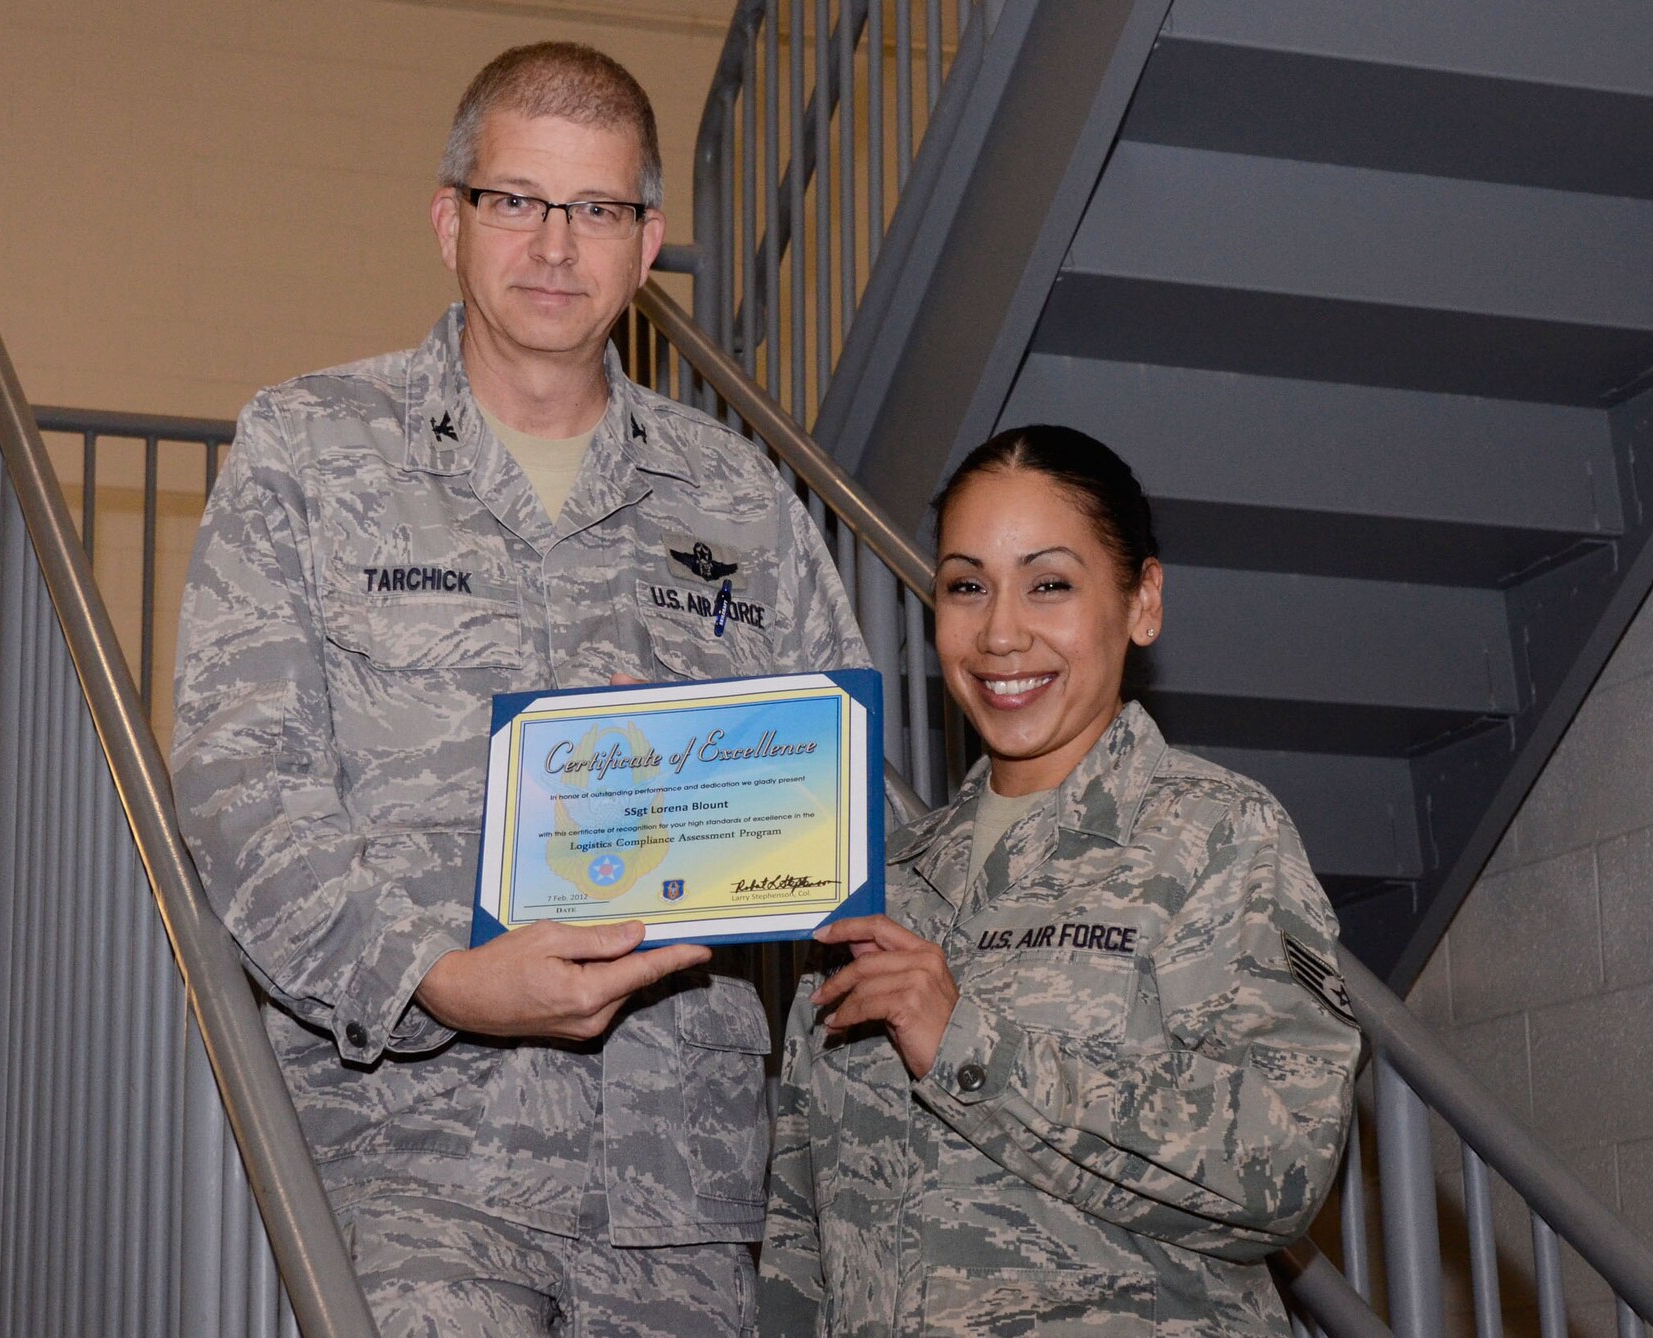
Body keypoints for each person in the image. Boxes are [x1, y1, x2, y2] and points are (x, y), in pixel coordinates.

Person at [171, 42, 870, 1336]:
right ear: (450, 219)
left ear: (648, 239)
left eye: (596, 209)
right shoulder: (312, 453)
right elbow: (236, 785)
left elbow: (844, 792)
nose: (555, 245)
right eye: (517, 201)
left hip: (680, 1191)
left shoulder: (740, 501)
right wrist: (434, 975)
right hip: (409, 1158)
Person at [758, 425, 1362, 1335]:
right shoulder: (878, 884)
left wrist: (966, 1041)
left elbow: (1279, 1168)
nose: (1001, 633)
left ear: (1142, 602)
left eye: (1049, 584)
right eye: (967, 586)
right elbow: (802, 1229)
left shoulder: (1213, 834)